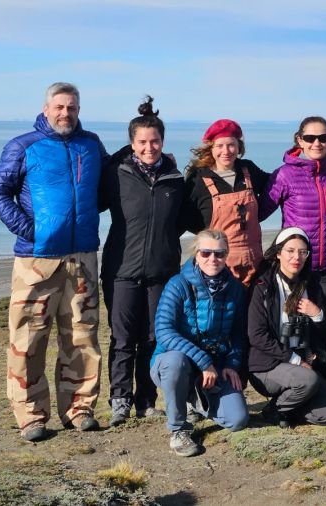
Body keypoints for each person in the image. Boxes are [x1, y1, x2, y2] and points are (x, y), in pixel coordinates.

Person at [0, 82, 106, 442]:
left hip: (82, 257)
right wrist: (33, 231)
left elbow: (103, 192)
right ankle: (30, 416)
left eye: (71, 107)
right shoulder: (23, 146)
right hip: (36, 260)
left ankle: (79, 409)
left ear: (79, 110)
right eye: (59, 107)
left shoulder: (91, 144)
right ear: (46, 109)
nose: (65, 113)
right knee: (28, 339)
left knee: (83, 337)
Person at [99, 96, 188, 426]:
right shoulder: (116, 174)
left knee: (153, 338)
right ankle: (119, 400)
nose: (149, 147)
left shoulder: (175, 179)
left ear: (163, 142)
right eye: (142, 142)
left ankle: (146, 401)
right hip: (121, 270)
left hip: (162, 273)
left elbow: (184, 219)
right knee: (123, 339)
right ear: (132, 144)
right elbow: (93, 202)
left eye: (155, 141)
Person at [151, 230, 249, 457]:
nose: (213, 259)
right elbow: (164, 331)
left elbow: (238, 335)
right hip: (173, 364)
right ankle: (178, 429)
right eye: (206, 253)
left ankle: (193, 401)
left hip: (214, 368)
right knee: (175, 362)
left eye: (219, 253)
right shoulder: (178, 284)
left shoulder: (235, 289)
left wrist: (231, 364)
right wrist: (204, 361)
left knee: (238, 420)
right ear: (196, 254)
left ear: (226, 255)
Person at [247, 227, 326, 428]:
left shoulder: (312, 286)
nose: (296, 257)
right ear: (278, 253)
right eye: (290, 251)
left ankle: (288, 408)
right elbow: (257, 335)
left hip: (304, 363)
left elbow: (323, 335)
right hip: (269, 364)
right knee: (307, 380)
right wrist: (295, 360)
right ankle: (276, 409)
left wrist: (317, 315)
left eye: (302, 252)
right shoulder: (263, 286)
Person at [261, 116, 326, 313]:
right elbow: (259, 213)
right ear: (299, 140)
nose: (317, 143)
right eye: (310, 138)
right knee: (295, 323)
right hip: (295, 267)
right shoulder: (284, 175)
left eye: (323, 138)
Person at [185, 119, 270, 285]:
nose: (226, 151)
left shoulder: (248, 170)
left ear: (239, 147)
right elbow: (185, 217)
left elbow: (277, 186)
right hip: (217, 264)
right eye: (219, 146)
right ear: (211, 148)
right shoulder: (199, 178)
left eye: (231, 145)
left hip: (255, 262)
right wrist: (208, 235)